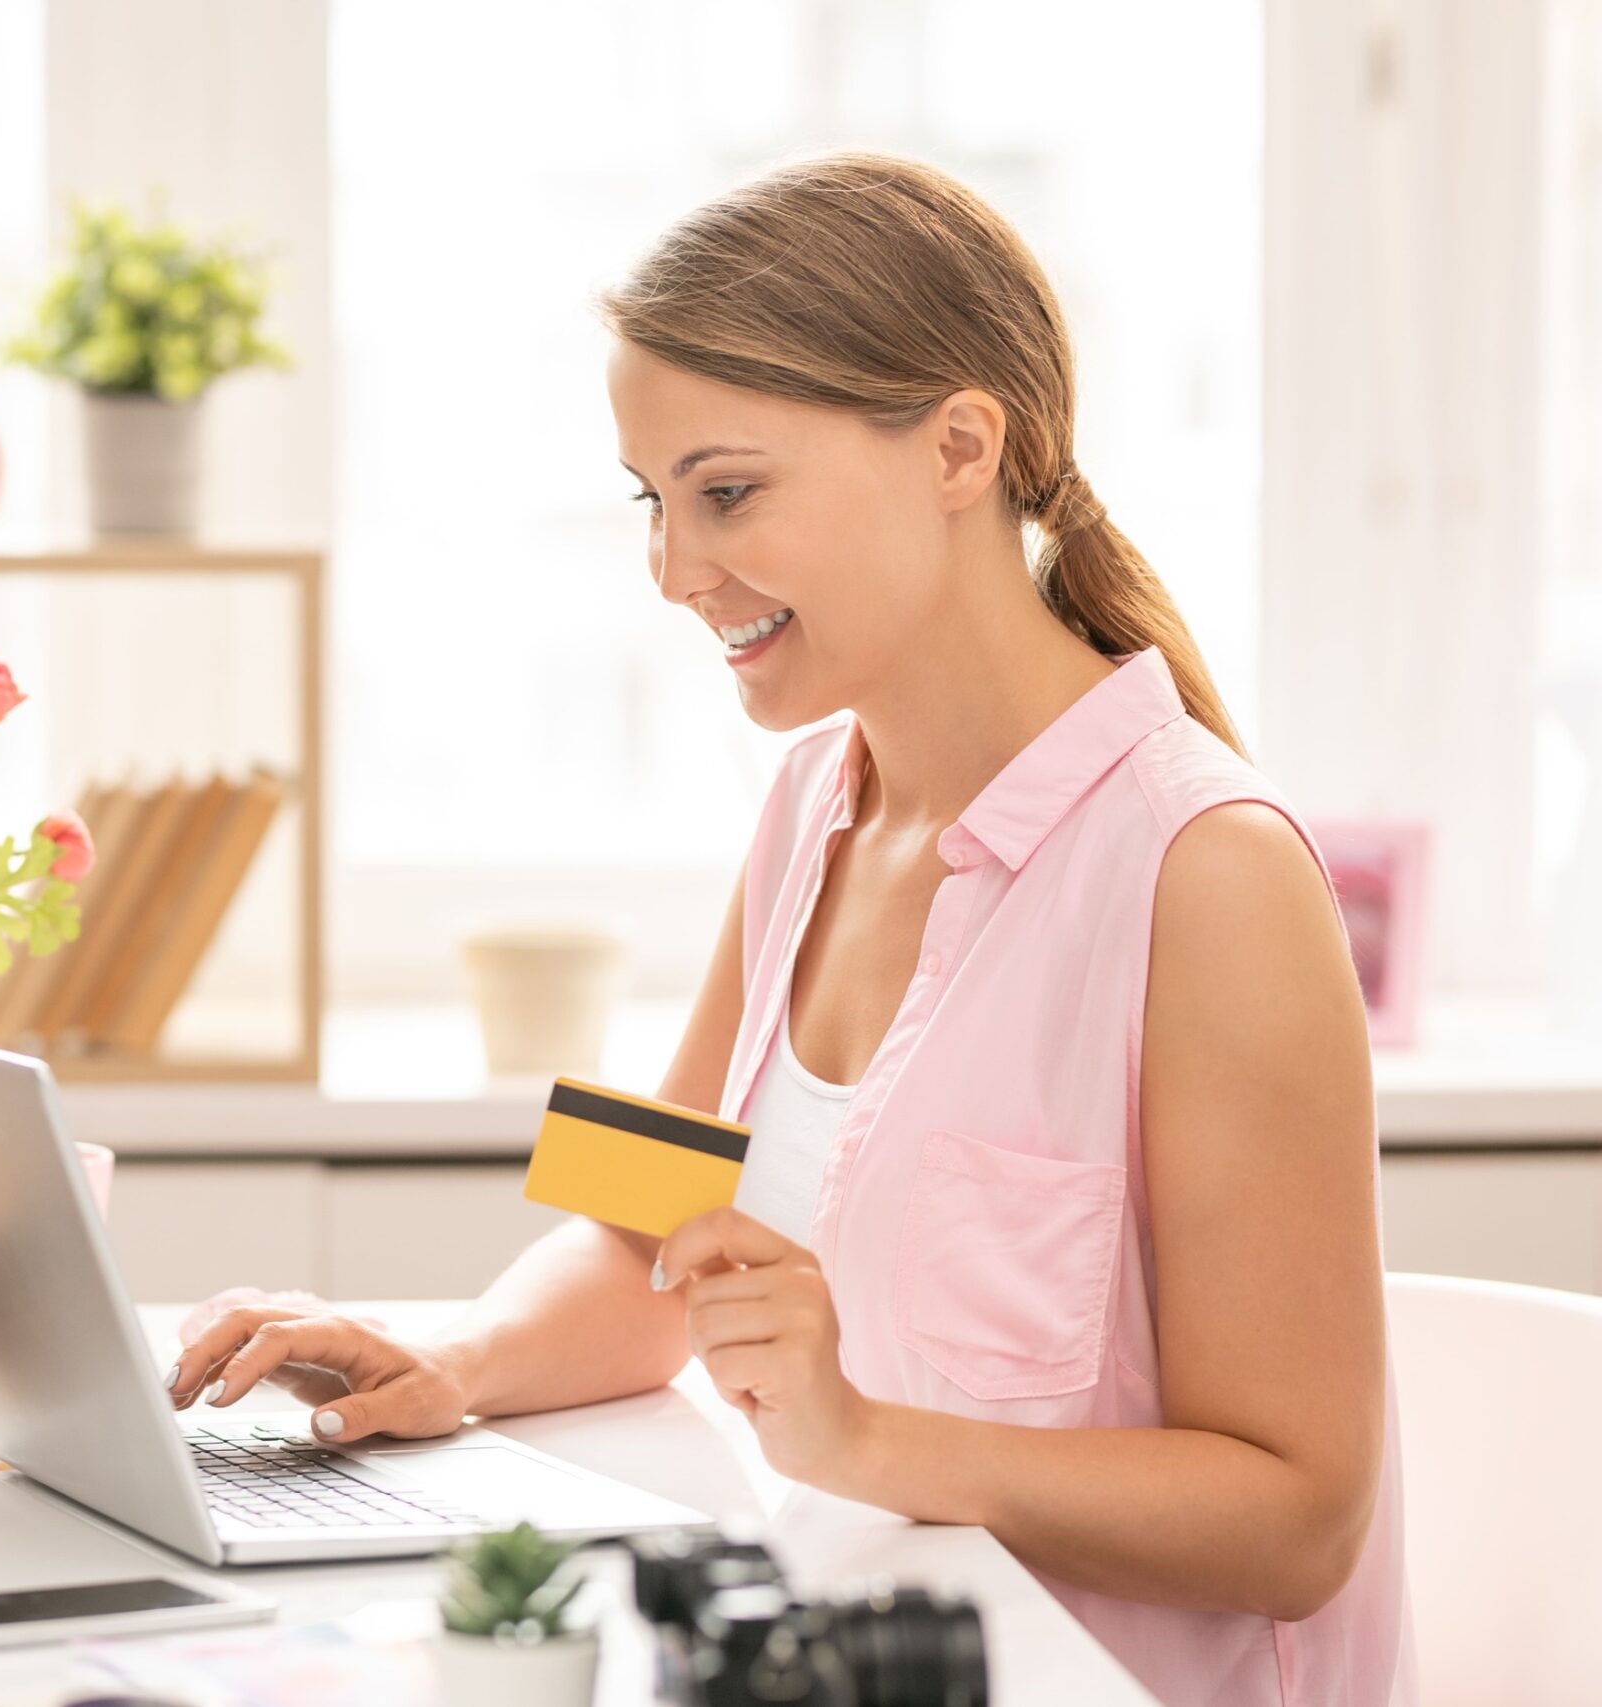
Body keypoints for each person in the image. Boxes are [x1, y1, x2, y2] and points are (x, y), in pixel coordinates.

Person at [164, 153, 1413, 1707]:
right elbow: (643, 1222)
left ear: (963, 446)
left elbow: (1298, 1520)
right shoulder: (819, 797)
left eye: (728, 492)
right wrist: (456, 1360)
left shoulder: (1208, 874)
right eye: (653, 500)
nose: (676, 572)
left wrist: (864, 1440)